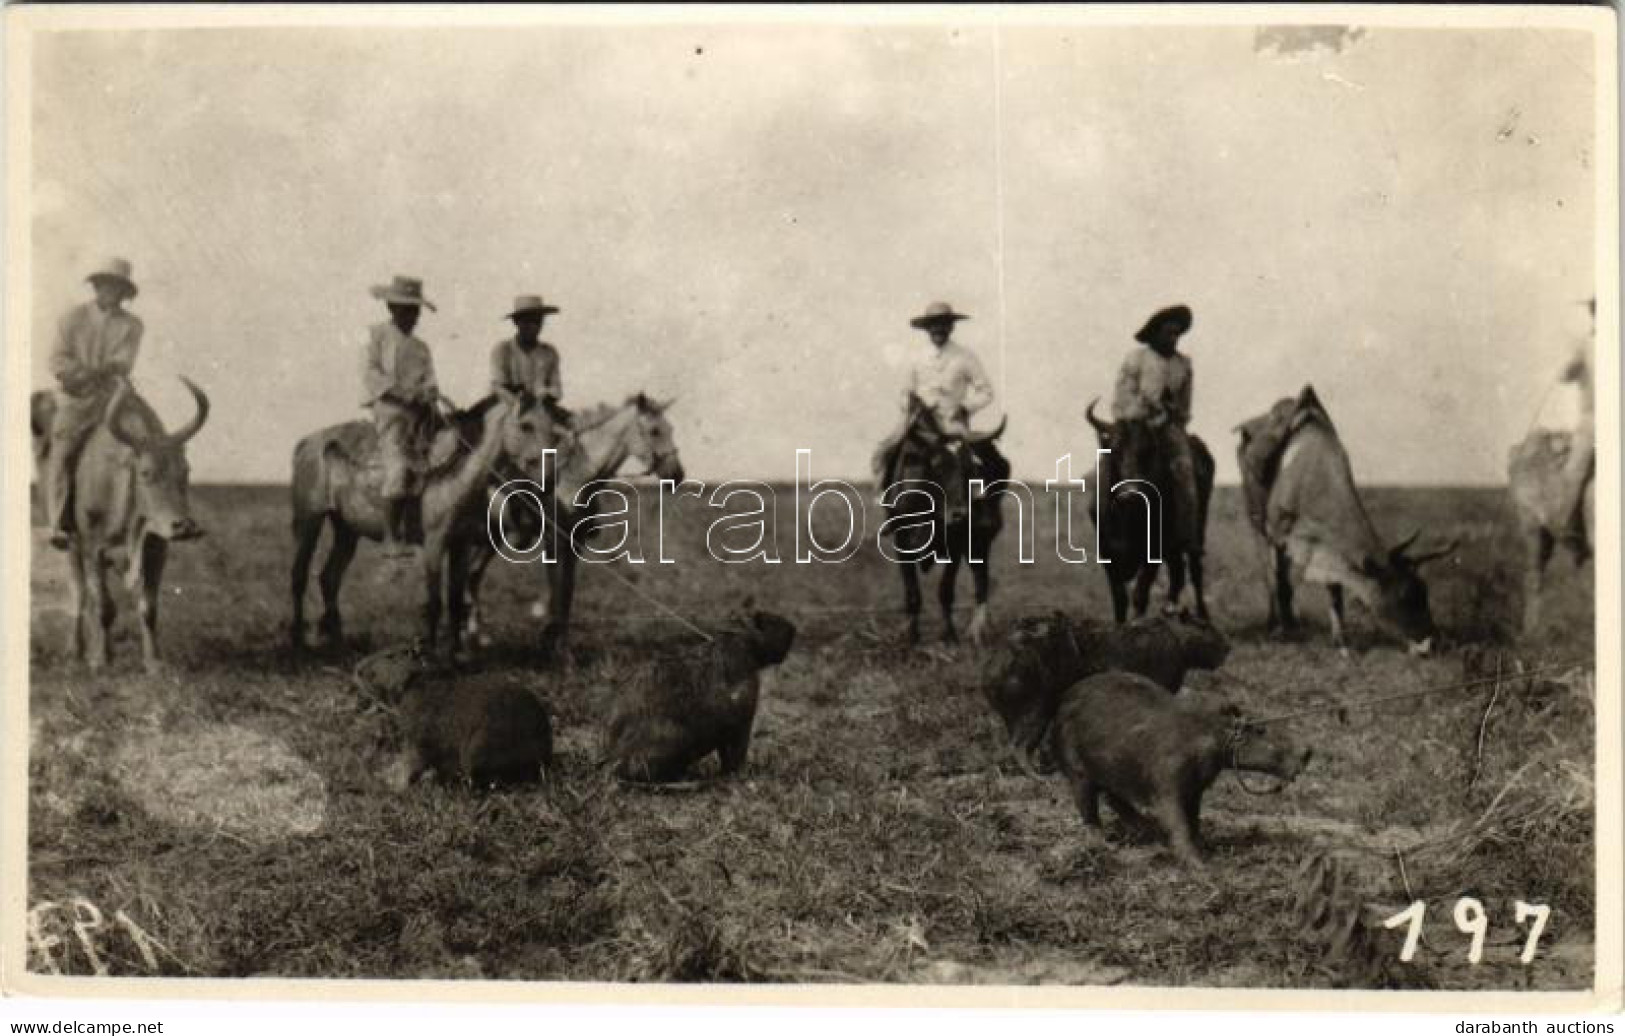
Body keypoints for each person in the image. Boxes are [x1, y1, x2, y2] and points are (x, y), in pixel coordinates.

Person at [43, 258, 145, 550]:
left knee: (145, 441)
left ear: (124, 292)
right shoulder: (72, 318)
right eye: (104, 285)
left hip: (114, 396)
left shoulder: (132, 325)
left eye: (116, 287)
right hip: (77, 399)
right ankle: (59, 523)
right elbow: (57, 359)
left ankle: (145, 517)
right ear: (96, 286)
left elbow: (123, 362)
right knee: (64, 452)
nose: (108, 291)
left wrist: (107, 373)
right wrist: (79, 375)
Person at [872, 301, 995, 502]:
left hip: (951, 421)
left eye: (944, 324)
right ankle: (887, 501)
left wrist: (964, 408)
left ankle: (975, 499)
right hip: (918, 422)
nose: (939, 329)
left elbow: (986, 392)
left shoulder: (965, 357)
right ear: (927, 328)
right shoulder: (915, 357)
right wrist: (912, 407)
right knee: (883, 451)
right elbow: (904, 392)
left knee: (969, 456)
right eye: (934, 324)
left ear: (952, 326)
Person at [361, 275, 446, 559]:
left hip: (420, 413)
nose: (413, 316)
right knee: (398, 468)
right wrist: (402, 394)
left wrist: (430, 393)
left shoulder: (421, 348)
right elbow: (371, 374)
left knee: (437, 461)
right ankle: (389, 536)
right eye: (407, 309)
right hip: (390, 411)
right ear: (392, 308)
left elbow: (431, 380)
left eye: (415, 310)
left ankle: (421, 529)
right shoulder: (376, 336)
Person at [1111, 304, 1200, 544]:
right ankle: (1108, 512)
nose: (1173, 339)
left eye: (1177, 334)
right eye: (1168, 333)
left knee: (1186, 470)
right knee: (1115, 457)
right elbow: (1123, 396)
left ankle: (1188, 534)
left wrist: (1173, 414)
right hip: (1133, 421)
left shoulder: (1184, 365)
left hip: (1168, 426)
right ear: (1155, 333)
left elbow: (1185, 404)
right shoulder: (1136, 359)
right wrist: (1143, 410)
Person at [490, 293, 571, 428]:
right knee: (492, 433)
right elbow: (498, 386)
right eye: (527, 321)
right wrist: (518, 402)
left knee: (563, 434)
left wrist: (544, 395)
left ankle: (549, 451)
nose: (534, 326)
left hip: (541, 408)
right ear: (516, 322)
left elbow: (556, 388)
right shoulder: (503, 350)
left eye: (538, 321)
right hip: (507, 408)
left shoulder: (549, 353)